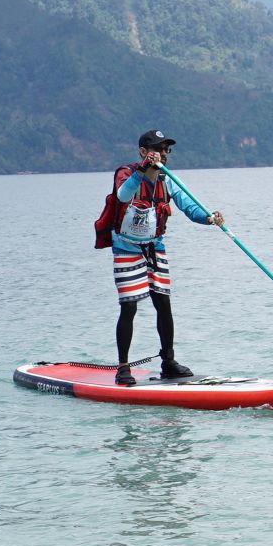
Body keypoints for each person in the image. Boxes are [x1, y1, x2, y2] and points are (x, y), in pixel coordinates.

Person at [109, 130, 224, 386]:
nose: (163, 153)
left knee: (163, 303)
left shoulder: (168, 179)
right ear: (143, 151)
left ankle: (168, 362)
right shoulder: (126, 174)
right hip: (126, 248)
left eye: (166, 149)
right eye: (158, 148)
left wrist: (208, 218)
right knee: (129, 306)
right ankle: (123, 367)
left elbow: (189, 207)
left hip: (155, 247)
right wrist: (142, 171)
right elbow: (123, 196)